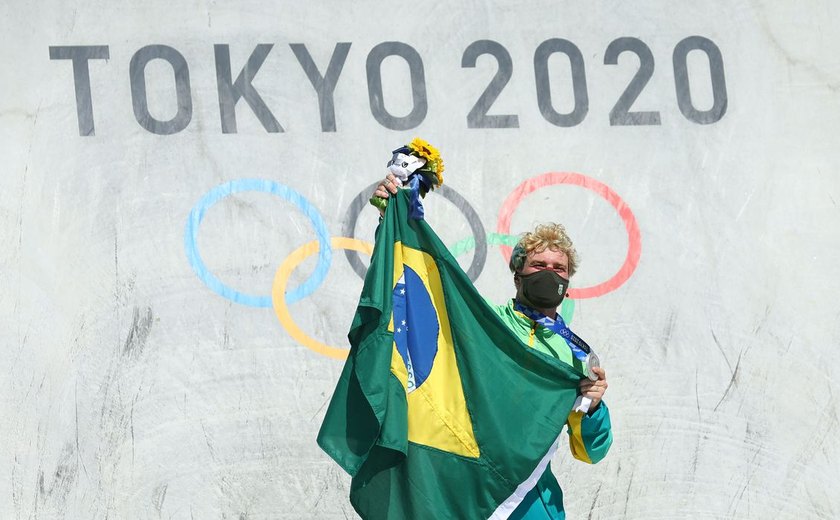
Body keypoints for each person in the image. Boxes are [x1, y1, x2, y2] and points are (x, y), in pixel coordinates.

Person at [373, 173, 613, 519]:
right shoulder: (483, 323)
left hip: (531, 505)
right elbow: (414, 296)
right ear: (518, 273)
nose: (550, 273)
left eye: (559, 268)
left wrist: (592, 408)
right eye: (539, 265)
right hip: (464, 492)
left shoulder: (576, 356)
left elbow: (591, 453)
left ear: (567, 282)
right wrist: (390, 221)